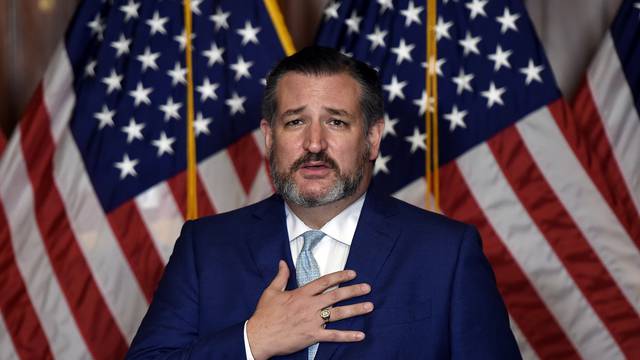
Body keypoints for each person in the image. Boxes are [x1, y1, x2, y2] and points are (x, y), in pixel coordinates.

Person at [126, 46, 521, 359]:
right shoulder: (205, 247)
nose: (314, 144)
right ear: (269, 136)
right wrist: (252, 340)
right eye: (295, 121)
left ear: (372, 138)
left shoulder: (446, 254)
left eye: (336, 122)